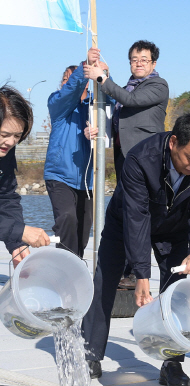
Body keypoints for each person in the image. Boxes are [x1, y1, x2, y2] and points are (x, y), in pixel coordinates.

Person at [81, 113, 190, 386]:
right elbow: (137, 217)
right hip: (125, 222)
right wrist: (141, 273)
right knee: (104, 281)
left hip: (175, 227)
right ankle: (90, 354)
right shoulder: (140, 158)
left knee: (176, 292)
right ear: (173, 143)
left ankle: (172, 364)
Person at [84, 40, 168, 287]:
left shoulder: (158, 85)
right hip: (124, 156)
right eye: (134, 59)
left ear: (153, 63)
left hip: (146, 159)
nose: (138, 63)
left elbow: (130, 100)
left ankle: (135, 270)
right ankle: (123, 267)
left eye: (144, 59)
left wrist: (101, 78)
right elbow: (116, 103)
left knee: (138, 212)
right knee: (124, 211)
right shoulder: (128, 86)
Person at [44, 48, 107, 257]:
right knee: (67, 218)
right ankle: (64, 267)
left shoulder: (94, 104)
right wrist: (85, 66)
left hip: (87, 181)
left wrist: (105, 75)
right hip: (60, 176)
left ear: (87, 82)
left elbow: (112, 107)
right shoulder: (57, 103)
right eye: (64, 79)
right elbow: (70, 92)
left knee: (83, 228)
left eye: (71, 79)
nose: (66, 82)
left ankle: (75, 265)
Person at [0, 85, 51, 265]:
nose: (10, 142)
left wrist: (16, 243)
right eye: (5, 134)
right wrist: (19, 231)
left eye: (17, 136)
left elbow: (6, 197)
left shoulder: (5, 151)